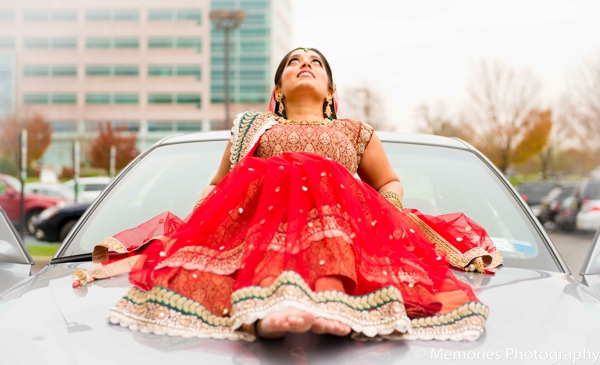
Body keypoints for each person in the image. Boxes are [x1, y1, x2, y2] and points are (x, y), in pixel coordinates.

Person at [78, 47, 502, 342]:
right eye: (295, 61)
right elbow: (219, 185)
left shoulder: (353, 132)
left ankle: (334, 301)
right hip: (262, 235)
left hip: (343, 231)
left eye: (315, 62)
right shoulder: (253, 129)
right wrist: (204, 223)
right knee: (285, 172)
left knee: (319, 174)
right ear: (278, 89)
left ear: (331, 92)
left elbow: (388, 183)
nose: (305, 64)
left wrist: (380, 211)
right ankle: (263, 313)